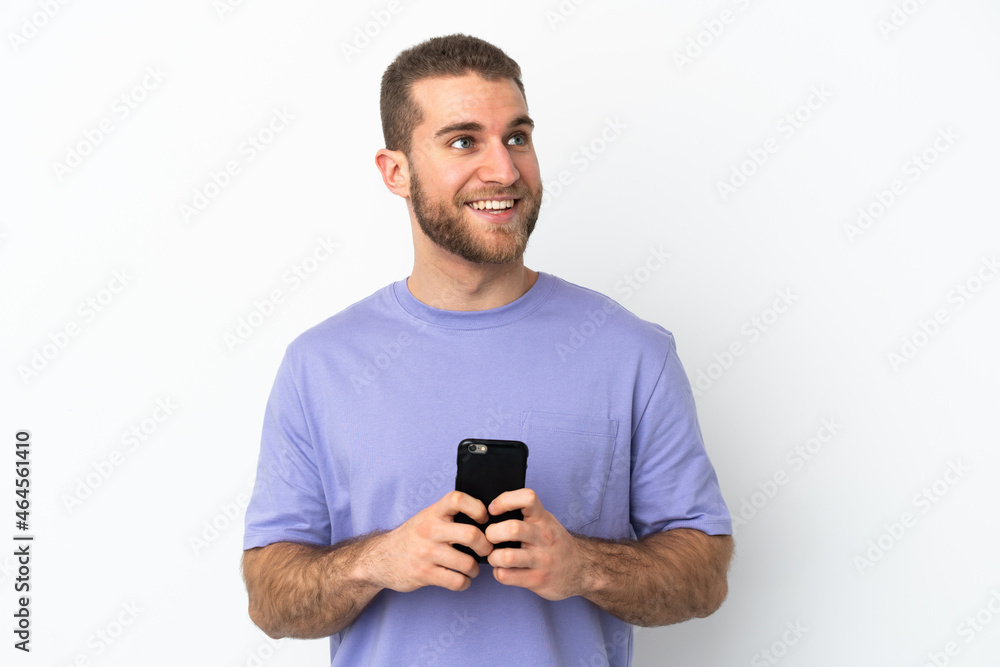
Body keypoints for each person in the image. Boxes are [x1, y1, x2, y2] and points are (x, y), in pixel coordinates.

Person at [241, 33, 734, 666]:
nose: (504, 170)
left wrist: (583, 566)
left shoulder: (634, 354)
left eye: (518, 138)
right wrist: (377, 561)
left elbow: (704, 580)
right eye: (463, 141)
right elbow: (271, 603)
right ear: (396, 172)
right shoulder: (320, 365)